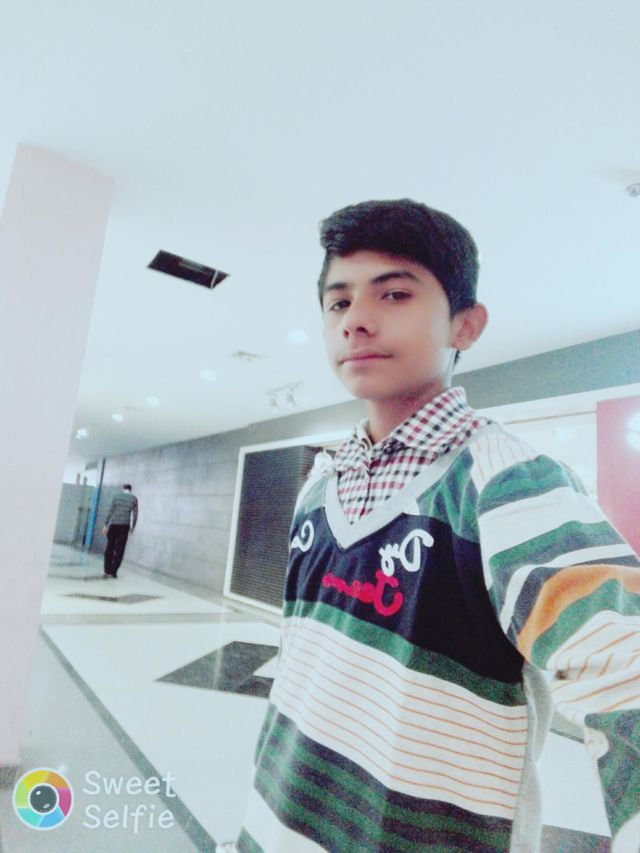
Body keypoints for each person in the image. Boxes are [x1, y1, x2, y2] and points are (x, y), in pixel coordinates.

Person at [237, 199, 640, 852]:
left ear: (465, 325)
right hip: (270, 823)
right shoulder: (318, 484)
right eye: (338, 302)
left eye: (394, 293)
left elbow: (625, 665)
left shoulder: (505, 480)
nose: (356, 319)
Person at [101, 483, 138, 578]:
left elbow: (110, 510)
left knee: (109, 548)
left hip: (114, 525)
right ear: (130, 490)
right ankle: (114, 571)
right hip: (124, 527)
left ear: (123, 488)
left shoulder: (116, 497)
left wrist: (105, 525)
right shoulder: (134, 498)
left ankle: (107, 570)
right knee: (120, 550)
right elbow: (135, 514)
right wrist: (132, 527)